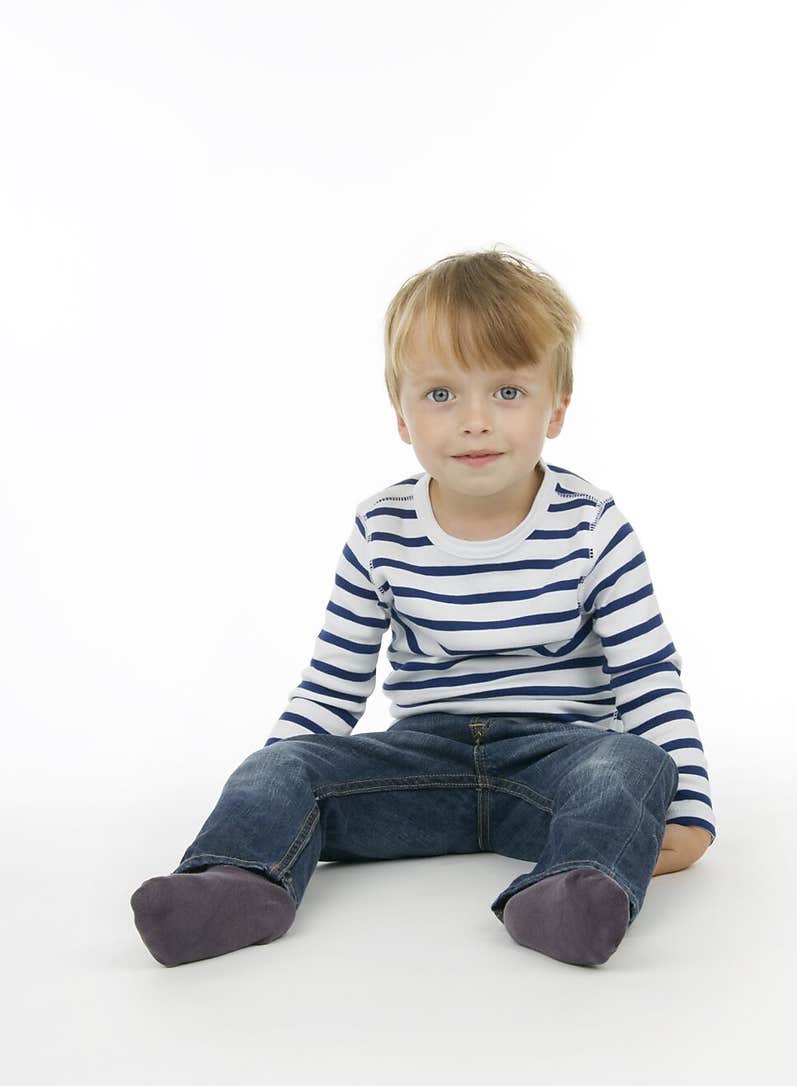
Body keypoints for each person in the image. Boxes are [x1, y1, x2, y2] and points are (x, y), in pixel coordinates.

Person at [131, 247, 716, 970]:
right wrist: (276, 788)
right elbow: (331, 684)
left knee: (631, 762)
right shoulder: (381, 529)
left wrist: (689, 813)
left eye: (507, 392)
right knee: (275, 765)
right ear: (402, 417)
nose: (475, 421)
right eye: (441, 395)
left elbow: (650, 677)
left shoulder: (593, 526)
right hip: (423, 767)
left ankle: (572, 889)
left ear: (556, 408)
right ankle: (234, 880)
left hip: (559, 769)